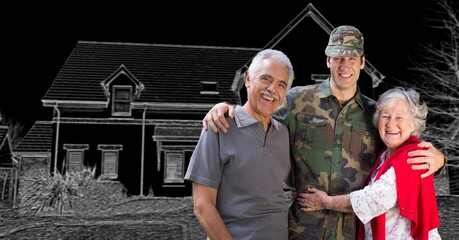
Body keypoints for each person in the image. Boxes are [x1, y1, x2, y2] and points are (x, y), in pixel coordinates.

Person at [201, 25, 446, 239]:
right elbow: (259, 110)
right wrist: (227, 109)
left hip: (353, 231)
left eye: (352, 58)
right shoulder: (297, 100)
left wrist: (439, 160)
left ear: (362, 62)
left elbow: (398, 157)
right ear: (328, 60)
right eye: (338, 58)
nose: (344, 65)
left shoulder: (375, 113)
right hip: (303, 229)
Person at [299, 87, 441, 240]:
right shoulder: (384, 156)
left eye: (400, 117)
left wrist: (326, 202)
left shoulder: (411, 157)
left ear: (413, 124)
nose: (391, 123)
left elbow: (372, 200)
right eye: (385, 116)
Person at [185, 49, 295, 240]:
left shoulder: (283, 133)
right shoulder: (219, 125)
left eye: (281, 85)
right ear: (248, 79)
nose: (272, 89)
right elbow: (202, 206)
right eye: (266, 79)